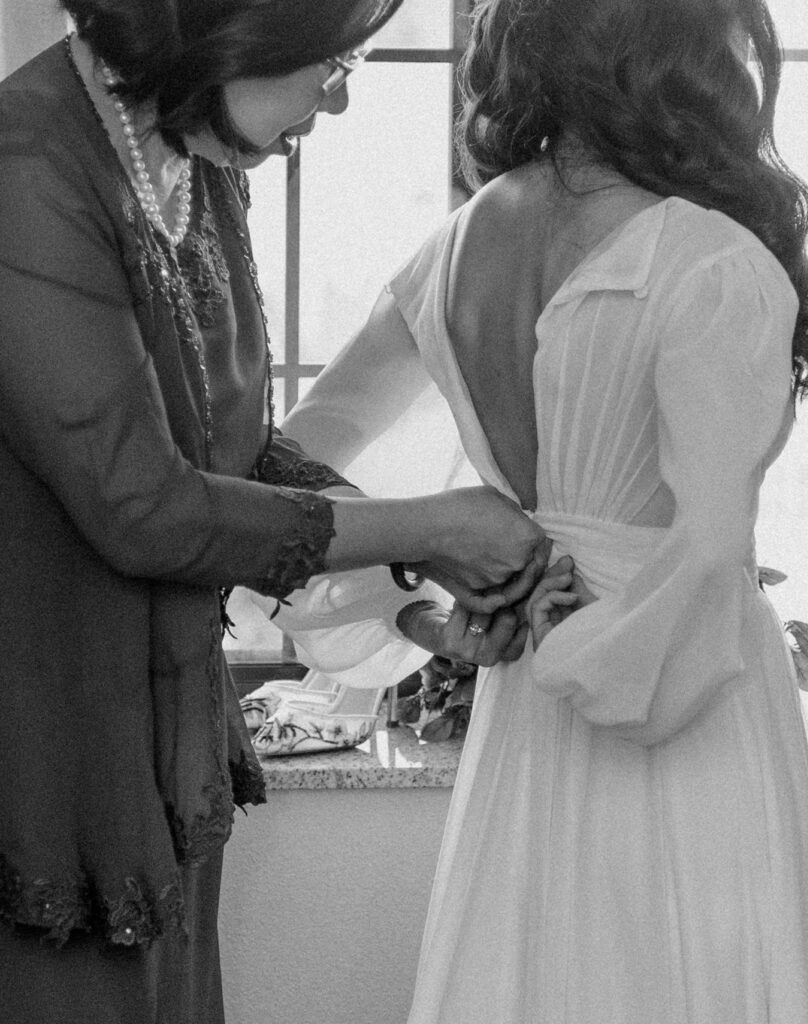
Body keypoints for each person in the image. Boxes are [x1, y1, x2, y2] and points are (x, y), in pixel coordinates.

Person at [262, 0, 808, 1020]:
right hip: (689, 723)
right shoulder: (713, 261)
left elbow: (287, 475)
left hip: (527, 713)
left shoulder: (455, 249)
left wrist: (422, 605)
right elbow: (705, 553)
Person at [0, 2, 553, 1021]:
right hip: (50, 744)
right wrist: (431, 525)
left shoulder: (195, 160)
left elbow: (241, 453)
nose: (338, 95)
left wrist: (427, 583)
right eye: (329, 60)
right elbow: (145, 506)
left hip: (163, 736)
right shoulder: (27, 167)